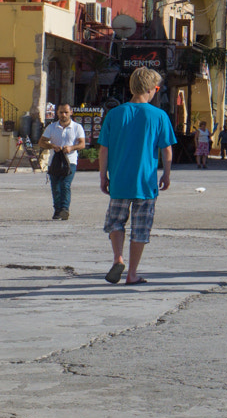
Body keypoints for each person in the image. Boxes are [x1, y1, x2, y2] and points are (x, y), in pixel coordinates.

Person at [98, 67, 177, 287]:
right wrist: (166, 175)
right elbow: (167, 150)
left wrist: (103, 176)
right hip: (146, 182)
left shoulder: (115, 114)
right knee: (140, 228)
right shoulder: (159, 115)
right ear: (152, 89)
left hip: (120, 180)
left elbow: (103, 148)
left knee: (115, 222)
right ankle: (132, 274)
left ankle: (118, 258)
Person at [38, 102, 85, 221]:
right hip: (54, 161)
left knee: (65, 184)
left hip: (70, 162)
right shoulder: (52, 127)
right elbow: (41, 142)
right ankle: (57, 210)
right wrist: (52, 145)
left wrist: (71, 148)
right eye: (61, 112)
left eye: (66, 112)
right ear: (57, 113)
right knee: (55, 187)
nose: (63, 115)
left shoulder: (77, 127)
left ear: (71, 113)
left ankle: (65, 209)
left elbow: (82, 144)